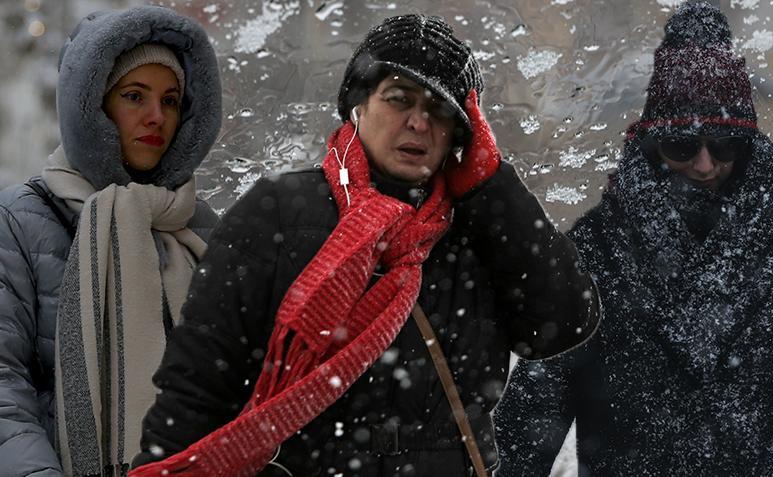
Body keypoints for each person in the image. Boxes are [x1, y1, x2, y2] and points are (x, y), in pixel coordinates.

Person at [129, 14, 600, 477]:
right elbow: (199, 385)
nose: (419, 122)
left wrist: (492, 185)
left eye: (440, 110)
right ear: (358, 104)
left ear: (461, 133)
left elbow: (562, 323)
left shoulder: (478, 227)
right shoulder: (277, 210)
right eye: (399, 99)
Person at [494, 2, 773, 476]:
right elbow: (539, 401)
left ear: (747, 146)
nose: (705, 165)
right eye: (683, 143)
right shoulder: (597, 248)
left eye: (725, 144)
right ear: (651, 143)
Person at [0, 6, 222, 475]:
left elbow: (235, 378)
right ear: (94, 106)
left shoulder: (198, 225)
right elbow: (5, 384)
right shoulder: (21, 218)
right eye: (134, 96)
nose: (156, 116)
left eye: (172, 100)